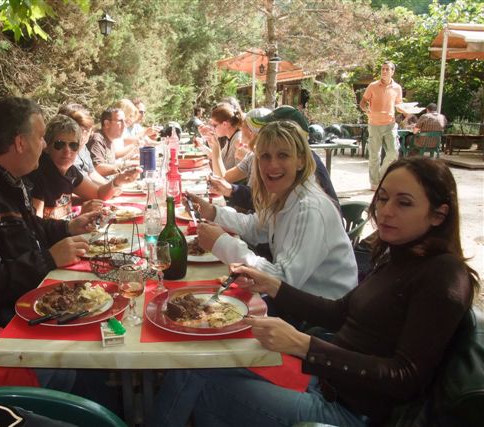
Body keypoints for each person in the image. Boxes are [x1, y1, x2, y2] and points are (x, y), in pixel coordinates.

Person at [151, 157, 478, 427]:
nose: (386, 211)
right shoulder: (399, 253)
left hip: (350, 413)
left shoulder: (443, 277)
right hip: (323, 381)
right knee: (194, 361)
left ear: (438, 214)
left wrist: (303, 345)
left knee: (201, 384)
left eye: (404, 203)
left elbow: (404, 377)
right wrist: (273, 286)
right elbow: (341, 313)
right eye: (382, 198)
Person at [0, 97, 99, 327]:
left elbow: (28, 226)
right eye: (41, 137)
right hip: (10, 321)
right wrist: (48, 259)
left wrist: (68, 227)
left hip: (33, 297)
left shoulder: (10, 176)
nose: (43, 146)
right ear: (20, 142)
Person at [190, 120, 356, 300]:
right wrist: (212, 212)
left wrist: (222, 243)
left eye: (283, 155)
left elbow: (283, 281)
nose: (272, 165)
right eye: (265, 156)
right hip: (296, 300)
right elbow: (255, 226)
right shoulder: (286, 194)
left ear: (300, 161)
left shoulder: (309, 209)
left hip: (319, 311)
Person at [209, 106, 339, 213]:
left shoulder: (307, 204)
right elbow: (266, 206)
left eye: (283, 155)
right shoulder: (257, 156)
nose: (273, 164)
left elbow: (264, 205)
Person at [28, 114, 141, 219]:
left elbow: (98, 194)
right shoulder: (38, 175)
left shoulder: (70, 171)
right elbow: (37, 226)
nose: (67, 151)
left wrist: (117, 181)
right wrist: (78, 218)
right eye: (59, 144)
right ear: (47, 146)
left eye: (73, 145)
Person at [359, 61, 403, 191]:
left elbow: (399, 106)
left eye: (387, 69)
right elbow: (362, 102)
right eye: (382, 69)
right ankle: (374, 183)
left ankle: (380, 177)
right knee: (374, 156)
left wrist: (408, 111)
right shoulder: (372, 86)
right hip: (374, 124)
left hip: (390, 124)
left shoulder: (397, 88)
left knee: (393, 153)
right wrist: (366, 110)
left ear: (392, 72)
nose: (384, 71)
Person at [58, 103, 107, 186]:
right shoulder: (61, 153)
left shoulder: (83, 147)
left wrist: (113, 185)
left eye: (87, 130)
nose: (84, 135)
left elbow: (92, 173)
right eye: (79, 129)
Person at [196, 102, 244, 171]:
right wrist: (202, 146)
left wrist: (214, 145)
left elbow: (236, 175)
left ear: (225, 124)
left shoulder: (238, 141)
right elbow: (218, 158)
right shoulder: (230, 138)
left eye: (214, 125)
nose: (212, 128)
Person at [87, 107, 126, 177]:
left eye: (124, 121)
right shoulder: (97, 139)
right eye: (120, 121)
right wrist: (125, 166)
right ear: (107, 124)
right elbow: (97, 168)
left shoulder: (110, 140)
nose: (124, 125)